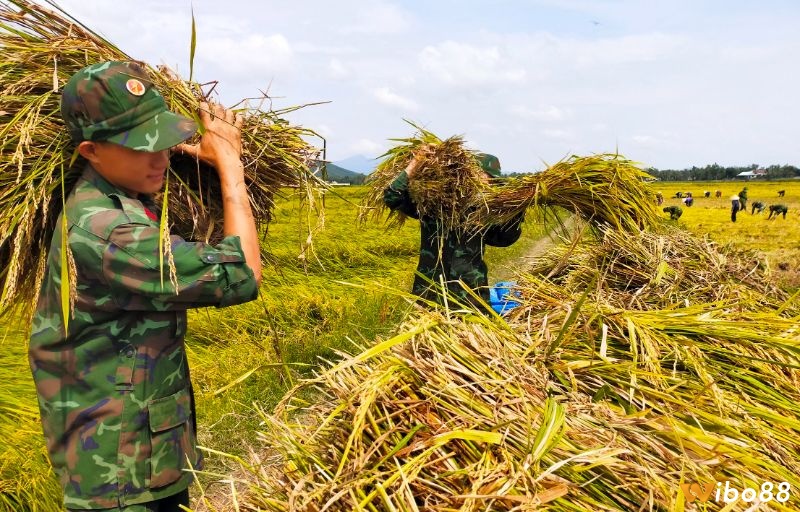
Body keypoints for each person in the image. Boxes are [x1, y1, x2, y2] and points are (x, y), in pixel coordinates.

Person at [28, 61, 262, 511]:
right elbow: (243, 273)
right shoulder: (107, 231)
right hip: (120, 472)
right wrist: (230, 166)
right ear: (91, 151)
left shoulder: (124, 200)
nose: (161, 156)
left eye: (162, 138)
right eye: (140, 145)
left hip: (146, 452)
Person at [383, 152, 523, 310]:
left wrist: (516, 210)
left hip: (471, 297)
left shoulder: (484, 212)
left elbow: (503, 239)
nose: (489, 184)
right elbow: (393, 197)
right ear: (466, 174)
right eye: (486, 177)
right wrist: (415, 164)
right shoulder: (433, 204)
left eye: (493, 181)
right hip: (430, 295)